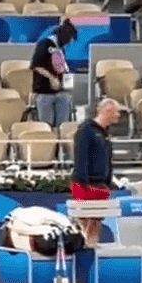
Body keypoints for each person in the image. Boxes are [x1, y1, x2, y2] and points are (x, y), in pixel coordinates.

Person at [72, 98, 122, 246]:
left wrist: (107, 183)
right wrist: (84, 183)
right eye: (116, 111)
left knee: (96, 223)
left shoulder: (105, 134)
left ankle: (93, 249)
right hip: (87, 185)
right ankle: (84, 251)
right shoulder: (86, 130)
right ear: (106, 111)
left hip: (101, 185)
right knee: (86, 223)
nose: (118, 115)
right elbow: (81, 157)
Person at [30, 19, 77, 127]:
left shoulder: (61, 49)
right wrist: (51, 78)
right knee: (46, 125)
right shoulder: (44, 44)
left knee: (63, 124)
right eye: (70, 39)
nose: (70, 43)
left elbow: (64, 68)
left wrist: (68, 85)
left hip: (61, 93)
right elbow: (36, 66)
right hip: (44, 92)